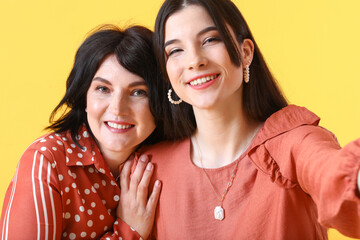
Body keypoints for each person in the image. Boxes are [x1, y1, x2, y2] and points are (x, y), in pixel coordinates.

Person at [129, 0, 360, 239]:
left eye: (210, 40)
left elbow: (330, 173)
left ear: (245, 52)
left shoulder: (294, 143)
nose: (194, 60)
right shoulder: (148, 169)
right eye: (176, 50)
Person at [0, 25, 164, 240]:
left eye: (138, 92)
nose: (117, 109)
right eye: (103, 89)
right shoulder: (46, 161)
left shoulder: (169, 161)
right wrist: (128, 231)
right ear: (84, 97)